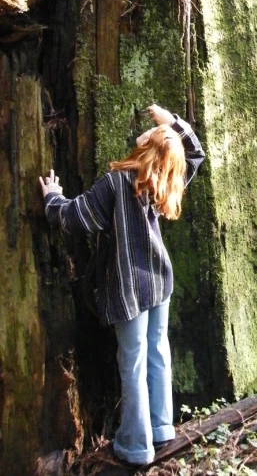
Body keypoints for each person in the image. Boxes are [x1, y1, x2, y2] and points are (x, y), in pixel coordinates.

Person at [39, 104, 205, 466]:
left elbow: (73, 216)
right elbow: (195, 151)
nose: (146, 132)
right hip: (159, 283)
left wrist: (52, 196)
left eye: (153, 134)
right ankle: (161, 428)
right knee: (157, 353)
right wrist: (171, 121)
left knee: (133, 363)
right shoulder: (165, 181)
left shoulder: (118, 182)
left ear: (150, 147)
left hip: (130, 288)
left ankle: (135, 447)